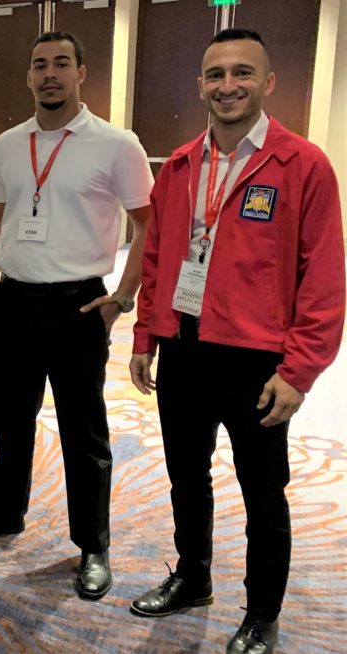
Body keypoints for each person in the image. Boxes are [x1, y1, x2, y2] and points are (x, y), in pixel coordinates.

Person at [129, 29, 344, 654]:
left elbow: (325, 276)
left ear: (268, 83)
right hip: (185, 347)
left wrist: (299, 371)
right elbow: (159, 258)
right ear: (200, 84)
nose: (228, 86)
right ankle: (193, 577)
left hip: (257, 362)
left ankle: (263, 613)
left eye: (242, 73)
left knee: (261, 491)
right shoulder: (177, 165)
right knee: (185, 476)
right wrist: (147, 334)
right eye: (216, 74)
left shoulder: (302, 165)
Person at [0, 31, 153, 601]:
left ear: (81, 73)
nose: (50, 74)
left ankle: (92, 544)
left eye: (62, 63)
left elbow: (147, 226)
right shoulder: (10, 143)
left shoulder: (117, 144)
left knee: (82, 432)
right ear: (29, 75)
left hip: (78, 304)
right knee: (10, 420)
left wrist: (123, 297)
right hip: (13, 301)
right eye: (39, 64)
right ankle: (4, 513)